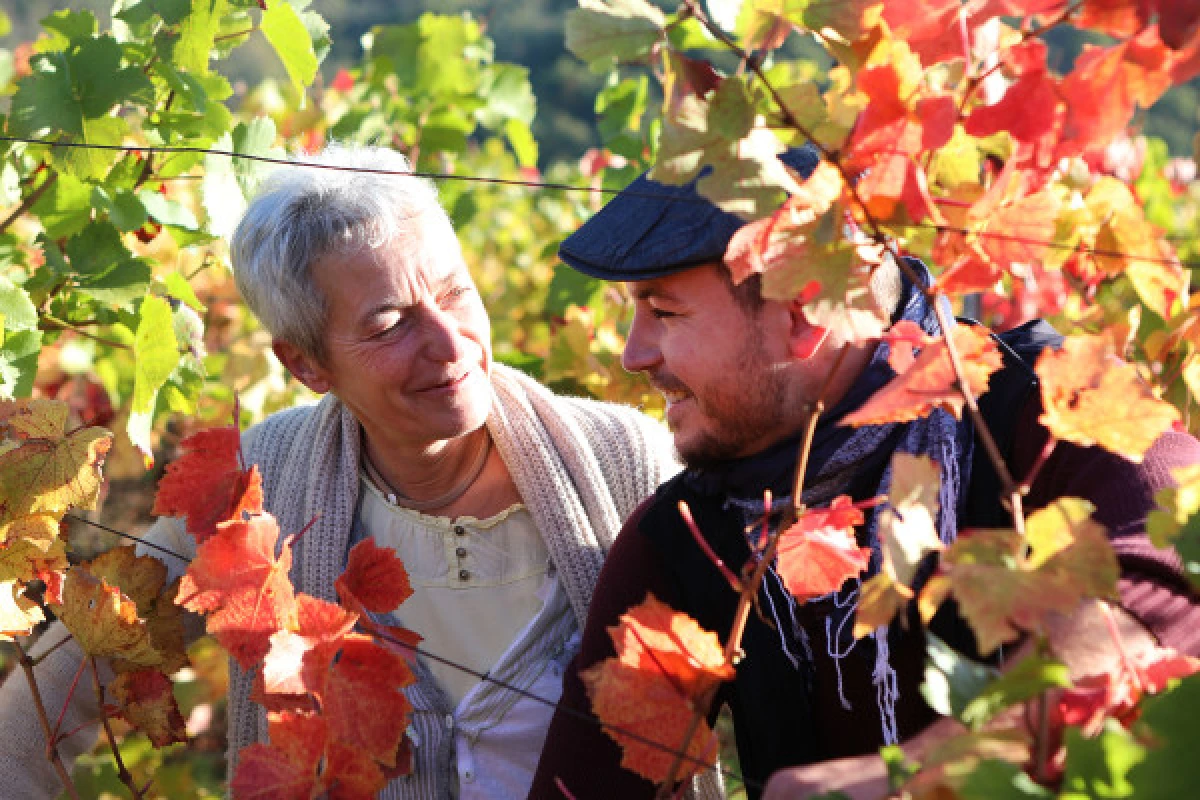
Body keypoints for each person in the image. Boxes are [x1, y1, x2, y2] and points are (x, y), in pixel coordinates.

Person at [0, 144, 703, 799]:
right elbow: (66, 677)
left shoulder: (629, 465)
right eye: (391, 322)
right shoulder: (260, 489)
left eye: (455, 293)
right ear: (305, 365)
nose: (450, 344)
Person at [528, 145, 1200, 799]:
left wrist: (951, 765)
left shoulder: (1042, 404)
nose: (632, 355)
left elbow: (1182, 546)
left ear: (803, 311)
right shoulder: (686, 537)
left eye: (665, 312)